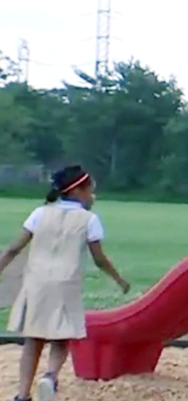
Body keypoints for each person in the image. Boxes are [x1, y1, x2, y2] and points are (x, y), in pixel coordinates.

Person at [0, 166, 130, 401]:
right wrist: (119, 280)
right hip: (66, 283)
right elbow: (99, 259)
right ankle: (50, 377)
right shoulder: (89, 220)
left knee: (33, 339)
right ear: (77, 191)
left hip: (36, 282)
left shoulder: (39, 213)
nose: (93, 197)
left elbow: (13, 248)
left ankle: (22, 394)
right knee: (61, 338)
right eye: (91, 191)